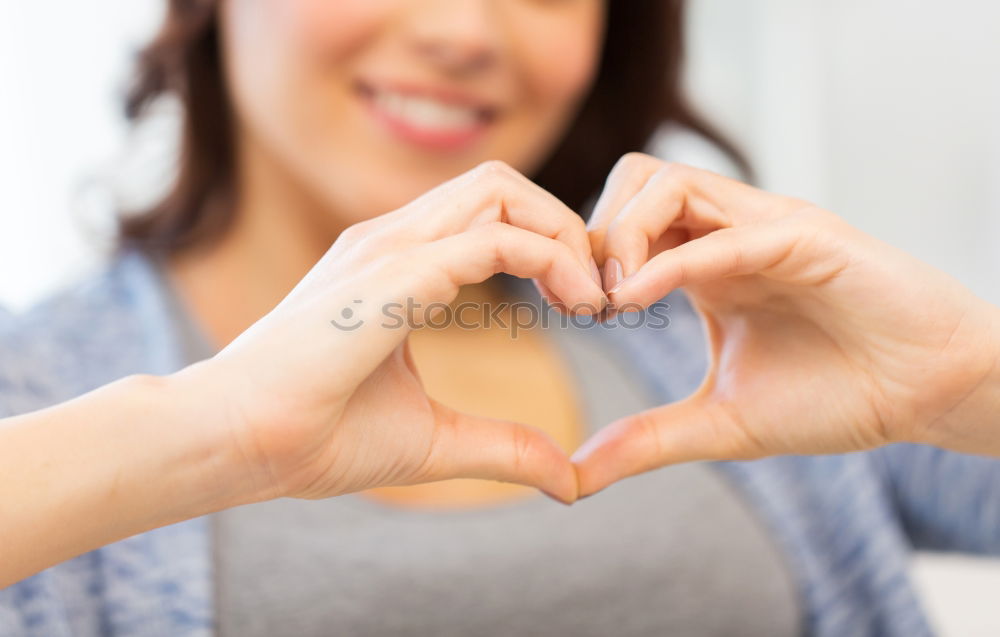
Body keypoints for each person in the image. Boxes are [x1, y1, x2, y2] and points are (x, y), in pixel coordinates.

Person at [1, 1, 998, 636]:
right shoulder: (40, 395)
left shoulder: (716, 334)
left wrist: (967, 379)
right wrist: (201, 430)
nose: (466, 31)